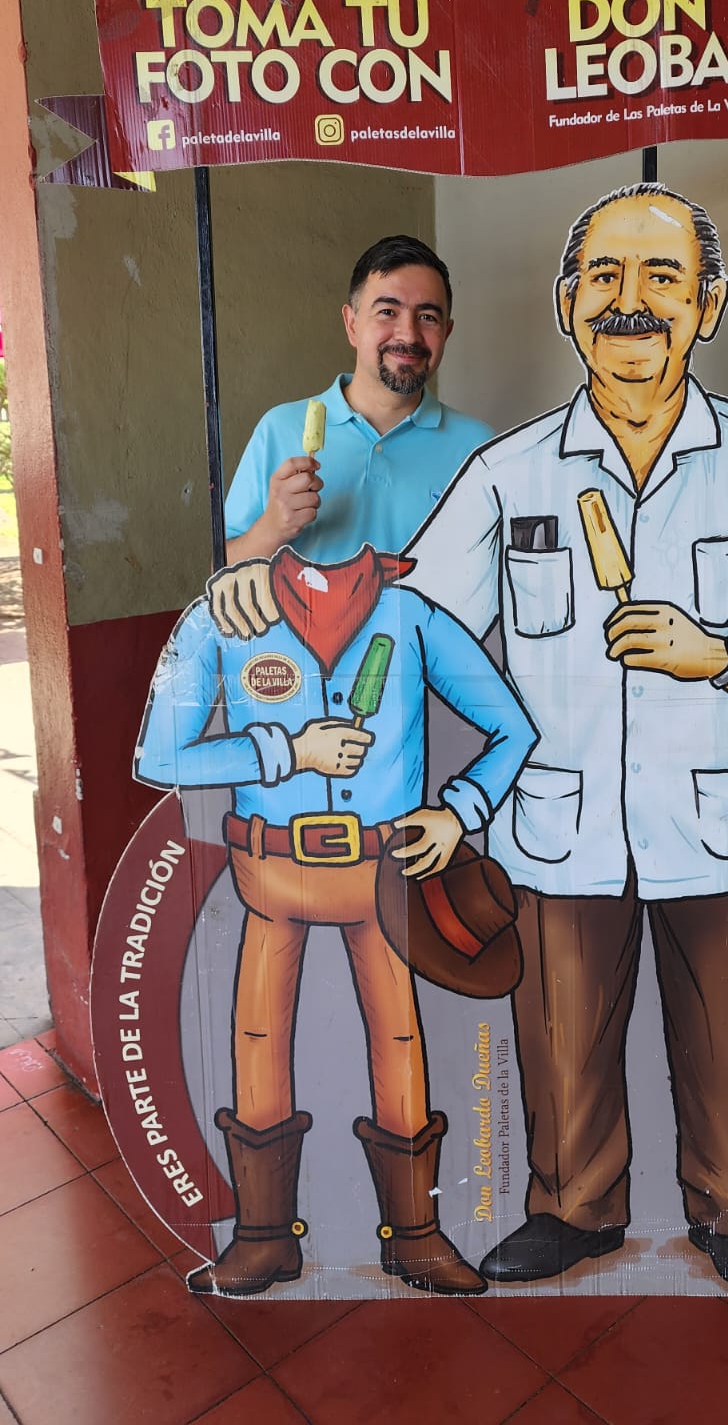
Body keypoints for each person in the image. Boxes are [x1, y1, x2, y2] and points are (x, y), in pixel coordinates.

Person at [208, 183, 728, 1297]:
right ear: (568, 305)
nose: (629, 301)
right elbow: (406, 626)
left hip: (725, 827)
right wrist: (261, 589)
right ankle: (572, 1212)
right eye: (603, 277)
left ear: (708, 304)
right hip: (560, 825)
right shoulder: (508, 474)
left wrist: (719, 659)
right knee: (560, 1043)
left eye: (661, 277)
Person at [135, 542, 536, 1298]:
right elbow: (161, 757)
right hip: (272, 874)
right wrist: (286, 752)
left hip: (384, 881)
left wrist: (459, 813)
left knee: (400, 1042)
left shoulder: (409, 617)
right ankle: (263, 1239)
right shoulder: (224, 620)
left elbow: (512, 727)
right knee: (256, 1042)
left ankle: (415, 1236)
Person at [224, 234, 492, 565]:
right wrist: (272, 529)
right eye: (387, 311)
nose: (408, 334)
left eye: (427, 317)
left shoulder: (480, 448)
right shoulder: (279, 429)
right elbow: (220, 574)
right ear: (352, 324)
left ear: (446, 332)